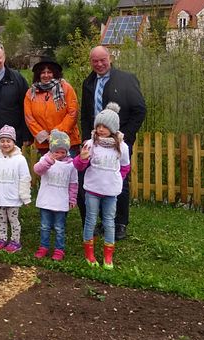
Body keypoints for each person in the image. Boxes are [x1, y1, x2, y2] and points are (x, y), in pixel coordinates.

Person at [79, 46, 146, 240]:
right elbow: (86, 115)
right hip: (96, 141)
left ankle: (120, 223)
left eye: (103, 60)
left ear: (110, 58)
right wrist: (86, 138)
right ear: (90, 62)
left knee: (119, 181)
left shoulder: (125, 79)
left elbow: (139, 110)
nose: (99, 64)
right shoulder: (88, 82)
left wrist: (125, 136)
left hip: (118, 143)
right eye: (95, 61)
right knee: (97, 180)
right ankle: (103, 220)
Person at [74, 103, 130, 270]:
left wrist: (116, 179)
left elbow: (125, 167)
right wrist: (82, 158)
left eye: (105, 126)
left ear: (113, 128)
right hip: (92, 190)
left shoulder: (122, 147)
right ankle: (89, 254)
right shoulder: (90, 144)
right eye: (98, 125)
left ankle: (108, 256)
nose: (100, 129)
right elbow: (79, 166)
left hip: (111, 192)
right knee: (90, 220)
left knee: (109, 222)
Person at [0, 125, 32, 253]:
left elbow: (25, 179)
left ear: (13, 142)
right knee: (1, 220)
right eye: (2, 141)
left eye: (8, 141)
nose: (5, 144)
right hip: (0, 197)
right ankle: (2, 239)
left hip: (13, 198)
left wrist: (25, 197)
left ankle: (15, 241)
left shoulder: (20, 160)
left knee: (13, 220)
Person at [33, 130, 78, 261]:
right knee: (45, 226)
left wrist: (72, 198)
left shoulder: (71, 165)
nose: (59, 155)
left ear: (67, 151)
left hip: (61, 202)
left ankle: (59, 249)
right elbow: (37, 170)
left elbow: (73, 183)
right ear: (51, 150)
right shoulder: (45, 160)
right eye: (56, 152)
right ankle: (44, 246)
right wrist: (49, 161)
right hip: (46, 201)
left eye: (62, 152)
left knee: (59, 227)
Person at [24, 57, 80, 156]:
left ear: (55, 73)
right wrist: (45, 136)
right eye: (43, 72)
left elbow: (73, 113)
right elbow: (29, 118)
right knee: (48, 170)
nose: (46, 75)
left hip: (67, 142)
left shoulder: (66, 88)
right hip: (45, 144)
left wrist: (56, 134)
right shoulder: (31, 93)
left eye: (49, 72)